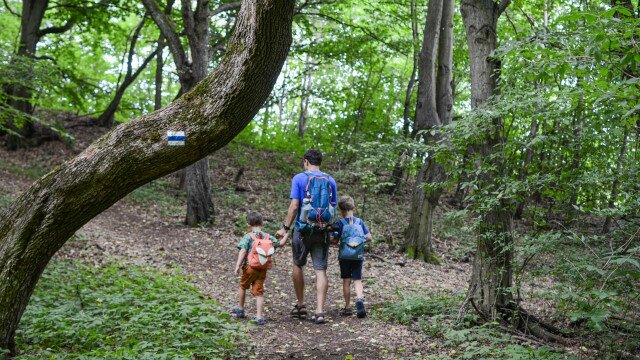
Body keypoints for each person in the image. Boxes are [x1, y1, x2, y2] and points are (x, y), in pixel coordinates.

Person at [275, 149, 338, 324]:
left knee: (297, 264)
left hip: (302, 230)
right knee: (320, 270)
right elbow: (333, 208)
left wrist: (285, 228)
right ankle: (319, 312)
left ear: (305, 162)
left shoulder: (299, 178)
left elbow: (295, 206)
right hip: (322, 230)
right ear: (320, 162)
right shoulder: (330, 180)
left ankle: (301, 304)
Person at [232, 212, 288, 325]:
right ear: (262, 224)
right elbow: (281, 244)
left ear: (248, 225)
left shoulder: (248, 237)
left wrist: (238, 265)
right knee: (259, 292)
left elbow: (243, 251)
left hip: (249, 268)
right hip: (263, 268)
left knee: (243, 286)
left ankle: (241, 309)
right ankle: (259, 317)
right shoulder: (268, 236)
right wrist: (286, 233)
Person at [332, 195, 372, 318]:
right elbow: (369, 237)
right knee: (357, 279)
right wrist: (358, 240)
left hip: (344, 256)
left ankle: (348, 307)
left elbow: (334, 240)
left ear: (340, 209)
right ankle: (359, 299)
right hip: (357, 256)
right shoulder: (360, 222)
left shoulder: (340, 223)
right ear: (353, 208)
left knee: (346, 280)